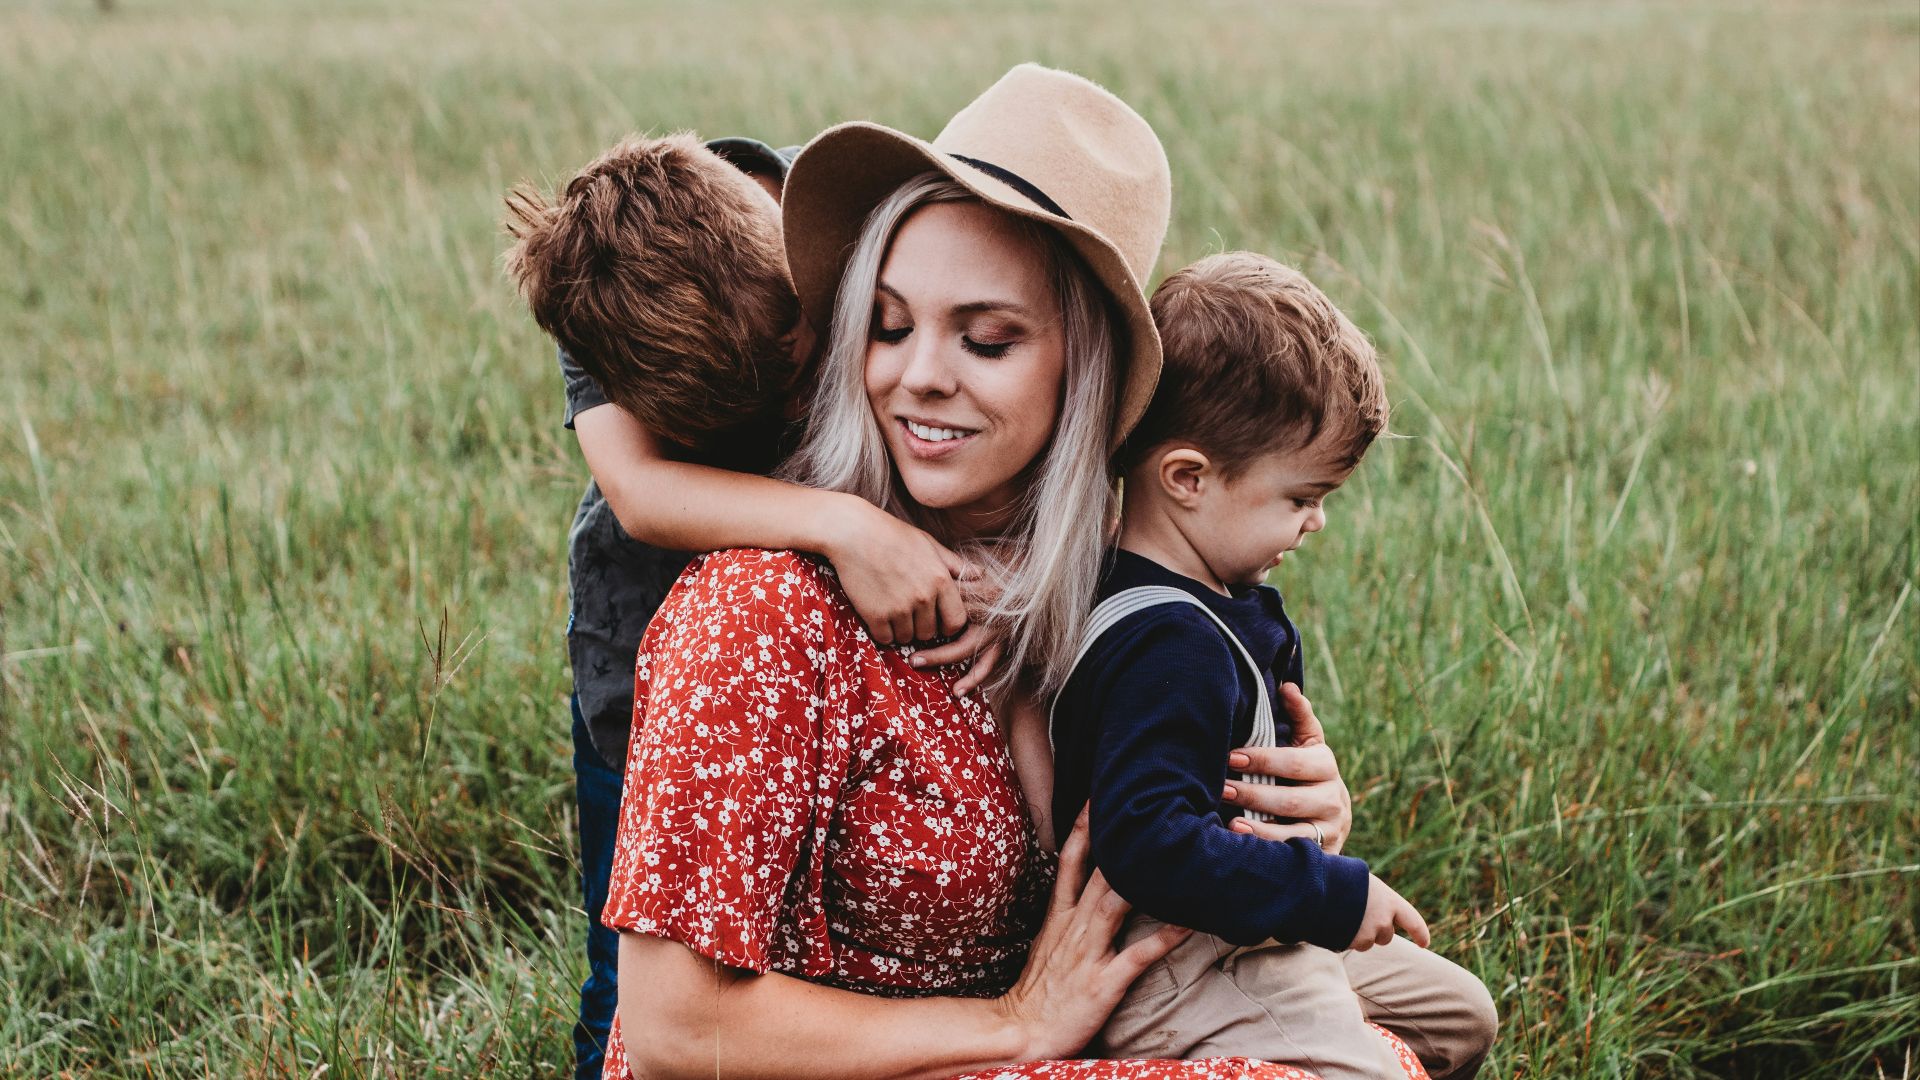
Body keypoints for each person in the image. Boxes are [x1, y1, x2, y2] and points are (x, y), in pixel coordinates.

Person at [597, 65, 1427, 1080]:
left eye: (986, 339)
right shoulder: (759, 610)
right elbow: (680, 1033)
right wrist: (1014, 1025)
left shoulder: (1096, 602)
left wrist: (1292, 821)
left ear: (1087, 374)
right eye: (890, 326)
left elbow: (1161, 831)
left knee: (1408, 1034)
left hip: (1051, 1035)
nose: (918, 375)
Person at [504, 132, 993, 1080]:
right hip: (644, 649)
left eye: (804, 344)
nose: (811, 366)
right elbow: (643, 493)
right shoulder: (600, 291)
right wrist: (846, 528)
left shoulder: (821, 215)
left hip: (832, 655)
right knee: (634, 955)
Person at [1050, 252, 1497, 1079]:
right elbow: (1147, 841)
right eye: (1301, 498)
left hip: (1246, 919)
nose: (1317, 523)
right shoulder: (1167, 641)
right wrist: (1330, 892)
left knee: (1461, 1016)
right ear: (1188, 478)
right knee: (1363, 1073)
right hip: (1179, 962)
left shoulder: (1204, 597)